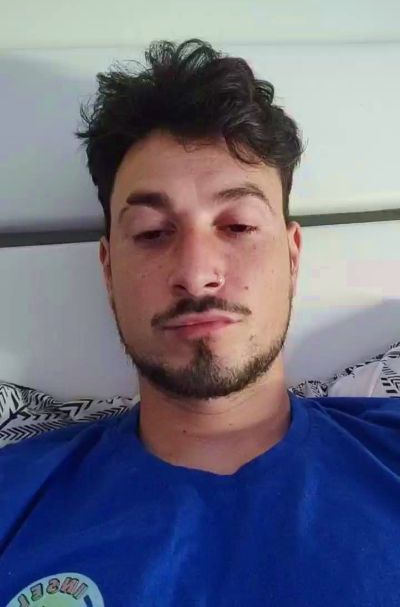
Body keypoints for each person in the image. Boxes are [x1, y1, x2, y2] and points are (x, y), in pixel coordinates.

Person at [1, 38, 399, 607]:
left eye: (237, 226)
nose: (195, 274)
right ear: (108, 270)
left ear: (292, 257)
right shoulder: (15, 498)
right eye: (152, 233)